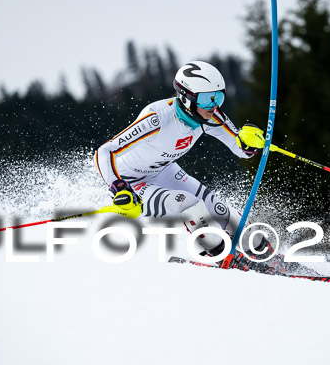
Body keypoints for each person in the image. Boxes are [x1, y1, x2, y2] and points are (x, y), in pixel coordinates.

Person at [94, 61, 271, 267]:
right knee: (187, 202)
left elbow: (241, 149)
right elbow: (104, 151)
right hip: (133, 184)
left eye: (219, 97)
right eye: (207, 99)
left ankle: (264, 253)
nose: (214, 106)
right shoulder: (156, 119)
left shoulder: (212, 116)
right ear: (187, 97)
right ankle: (221, 256)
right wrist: (118, 187)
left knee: (223, 212)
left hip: (166, 171)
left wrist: (250, 143)